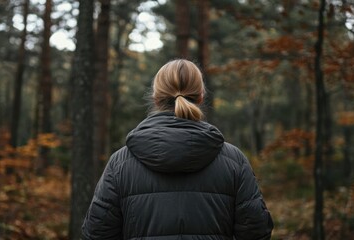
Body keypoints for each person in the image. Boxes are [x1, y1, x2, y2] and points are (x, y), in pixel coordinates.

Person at [82, 59, 273, 240]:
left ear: (156, 98)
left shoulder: (120, 162)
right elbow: (256, 231)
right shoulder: (234, 160)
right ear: (200, 96)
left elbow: (97, 233)